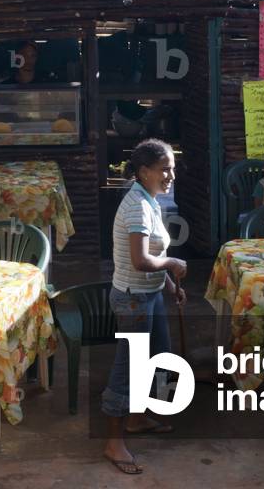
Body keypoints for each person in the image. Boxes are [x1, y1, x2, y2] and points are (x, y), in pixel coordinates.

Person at [102, 138, 187, 475]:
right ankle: (113, 441)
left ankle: (137, 418)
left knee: (160, 355)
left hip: (148, 294)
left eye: (173, 169)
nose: (170, 176)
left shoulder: (149, 199)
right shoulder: (137, 206)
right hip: (133, 298)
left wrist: (168, 286)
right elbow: (141, 261)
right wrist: (171, 266)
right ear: (144, 171)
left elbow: (152, 253)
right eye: (164, 170)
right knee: (129, 367)